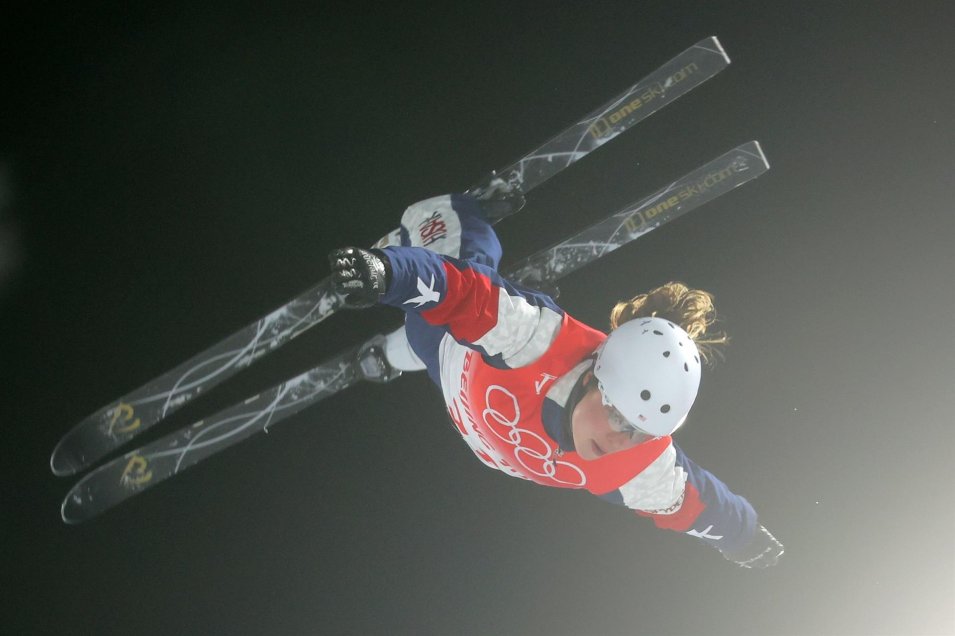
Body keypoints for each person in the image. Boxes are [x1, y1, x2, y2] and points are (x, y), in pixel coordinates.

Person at [329, 192, 783, 568]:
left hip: (456, 379)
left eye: (640, 431)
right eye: (618, 415)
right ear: (594, 380)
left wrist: (745, 542)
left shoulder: (639, 466)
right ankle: (463, 210)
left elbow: (702, 505)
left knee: (424, 329)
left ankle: (384, 356)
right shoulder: (537, 339)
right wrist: (387, 273)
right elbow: (462, 293)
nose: (619, 438)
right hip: (466, 348)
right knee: (459, 263)